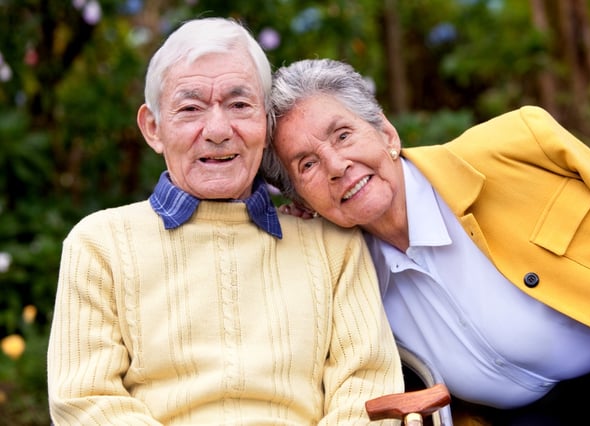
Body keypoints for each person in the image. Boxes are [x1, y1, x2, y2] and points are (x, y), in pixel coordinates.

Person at [47, 21, 404, 425]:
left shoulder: (331, 244)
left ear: (266, 126)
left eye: (239, 105)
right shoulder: (100, 245)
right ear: (153, 128)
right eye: (190, 108)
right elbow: (85, 398)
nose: (218, 131)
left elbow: (368, 390)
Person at [262, 58, 590, 425]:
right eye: (307, 164)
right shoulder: (346, 272)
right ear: (300, 200)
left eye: (343, 135)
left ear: (386, 133)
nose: (336, 166)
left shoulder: (519, 148)